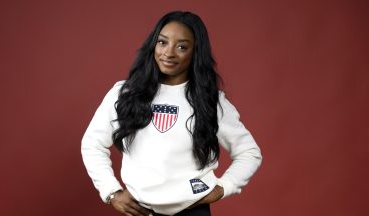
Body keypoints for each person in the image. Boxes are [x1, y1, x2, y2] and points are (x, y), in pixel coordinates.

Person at [81, 11, 262, 216]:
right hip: (141, 211)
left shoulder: (210, 101)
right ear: (153, 45)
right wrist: (111, 191)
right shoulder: (125, 93)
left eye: (182, 46)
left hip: (192, 211)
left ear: (196, 52)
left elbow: (249, 153)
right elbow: (92, 143)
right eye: (162, 42)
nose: (169, 53)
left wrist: (224, 187)